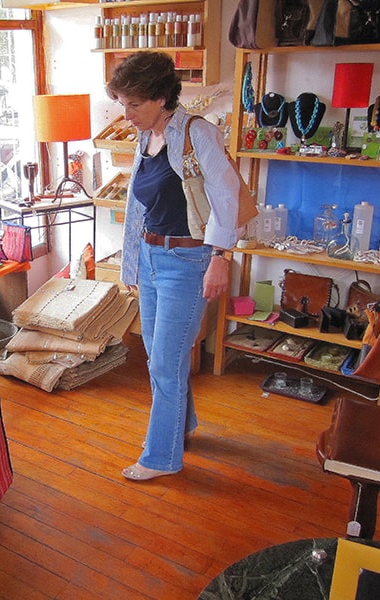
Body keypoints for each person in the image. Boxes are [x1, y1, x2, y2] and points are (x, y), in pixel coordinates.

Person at [106, 51, 241, 481]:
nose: (126, 114)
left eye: (134, 104)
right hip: (150, 257)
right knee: (164, 355)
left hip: (188, 260)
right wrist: (134, 265)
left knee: (164, 362)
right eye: (122, 103)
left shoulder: (198, 134)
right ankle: (183, 425)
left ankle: (161, 457)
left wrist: (220, 258)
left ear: (162, 97)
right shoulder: (145, 138)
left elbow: (228, 198)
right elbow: (141, 206)